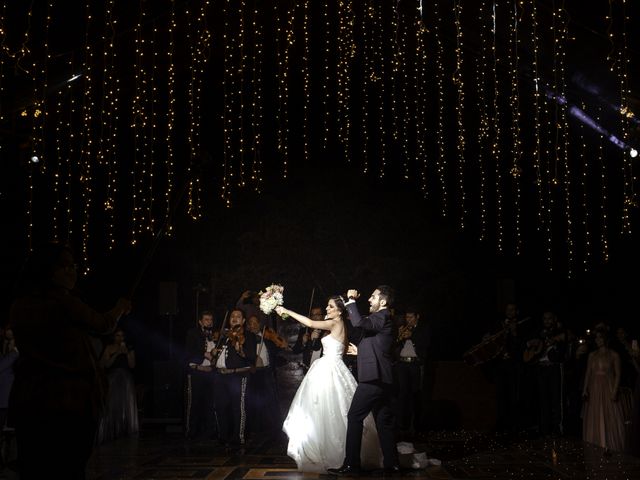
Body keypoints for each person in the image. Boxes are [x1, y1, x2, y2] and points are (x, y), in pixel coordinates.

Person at [8, 242, 131, 479]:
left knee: (35, 467)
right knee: (68, 466)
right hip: (65, 399)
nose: (71, 271)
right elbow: (103, 324)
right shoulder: (62, 302)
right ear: (46, 270)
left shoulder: (19, 304)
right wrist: (119, 309)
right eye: (63, 266)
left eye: (73, 265)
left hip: (30, 397)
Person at [276, 297, 382, 473]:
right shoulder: (341, 326)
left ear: (340, 311)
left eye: (331, 306)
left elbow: (310, 322)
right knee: (327, 409)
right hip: (334, 367)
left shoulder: (334, 322)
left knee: (328, 408)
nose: (327, 308)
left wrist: (286, 311)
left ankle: (331, 451)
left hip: (329, 369)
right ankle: (330, 449)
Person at [328, 286, 400, 476]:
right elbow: (379, 347)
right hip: (382, 380)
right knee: (383, 422)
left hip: (373, 379)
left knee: (354, 417)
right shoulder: (381, 321)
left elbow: (359, 322)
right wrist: (361, 352)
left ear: (382, 302)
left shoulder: (382, 316)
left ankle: (352, 465)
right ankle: (392, 465)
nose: (369, 299)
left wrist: (352, 300)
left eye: (373, 297)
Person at [582, 328, 626, 453]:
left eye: (600, 337)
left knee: (608, 414)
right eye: (596, 338)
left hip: (608, 387)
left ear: (606, 339)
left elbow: (618, 374)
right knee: (595, 414)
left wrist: (615, 391)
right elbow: (588, 373)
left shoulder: (614, 355)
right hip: (594, 388)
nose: (598, 340)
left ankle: (609, 445)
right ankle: (596, 443)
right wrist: (585, 389)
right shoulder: (592, 355)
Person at [97, 327, 139, 443]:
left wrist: (127, 353)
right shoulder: (109, 348)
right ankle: (112, 430)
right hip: (113, 378)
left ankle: (125, 431)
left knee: (125, 404)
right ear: (113, 337)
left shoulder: (129, 348)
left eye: (122, 336)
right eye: (117, 335)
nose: (120, 338)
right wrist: (116, 354)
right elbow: (105, 365)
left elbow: (132, 365)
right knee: (113, 404)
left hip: (126, 380)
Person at [184, 310, 218, 440]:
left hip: (210, 372)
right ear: (200, 321)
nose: (209, 322)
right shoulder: (193, 333)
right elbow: (190, 350)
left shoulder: (215, 335)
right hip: (196, 371)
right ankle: (191, 431)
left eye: (210, 320)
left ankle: (209, 431)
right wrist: (204, 353)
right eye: (206, 320)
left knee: (209, 402)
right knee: (194, 402)